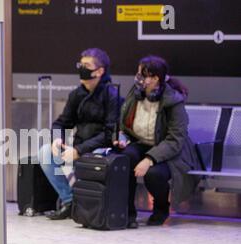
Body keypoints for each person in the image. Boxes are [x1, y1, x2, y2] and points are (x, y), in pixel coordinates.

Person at [114, 55, 201, 228]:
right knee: (126, 158)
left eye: (143, 76)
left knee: (153, 174)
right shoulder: (135, 93)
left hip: (171, 152)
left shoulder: (173, 101)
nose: (138, 79)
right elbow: (121, 124)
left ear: (155, 79)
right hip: (141, 143)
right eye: (138, 74)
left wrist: (149, 159)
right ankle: (127, 213)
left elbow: (175, 140)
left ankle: (161, 209)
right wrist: (120, 138)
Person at [38, 48, 122, 220]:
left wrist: (79, 150)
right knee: (45, 152)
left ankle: (89, 205)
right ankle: (70, 201)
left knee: (95, 157)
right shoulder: (77, 94)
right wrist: (57, 139)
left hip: (101, 150)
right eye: (80, 64)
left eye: (86, 65)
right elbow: (61, 122)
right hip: (77, 147)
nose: (81, 68)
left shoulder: (112, 94)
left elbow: (109, 134)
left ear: (100, 71)